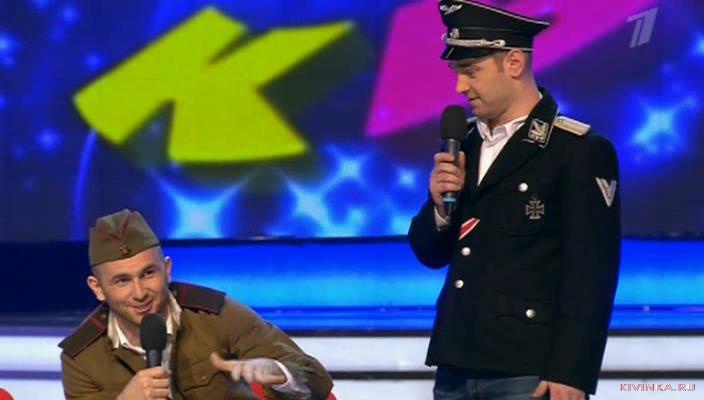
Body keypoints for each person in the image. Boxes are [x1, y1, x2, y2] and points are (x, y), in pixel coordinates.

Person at [408, 1, 621, 399]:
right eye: (456, 73)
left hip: (529, 370)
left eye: (471, 71)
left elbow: (592, 272)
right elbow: (430, 253)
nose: (460, 87)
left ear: (514, 63)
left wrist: (572, 371)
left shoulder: (576, 150)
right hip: (455, 363)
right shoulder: (463, 145)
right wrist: (438, 208)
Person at [59, 209, 333, 400]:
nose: (140, 293)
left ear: (167, 269)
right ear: (98, 289)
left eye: (149, 273)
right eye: (122, 281)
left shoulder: (217, 314)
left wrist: (281, 374)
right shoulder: (82, 357)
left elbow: (318, 380)